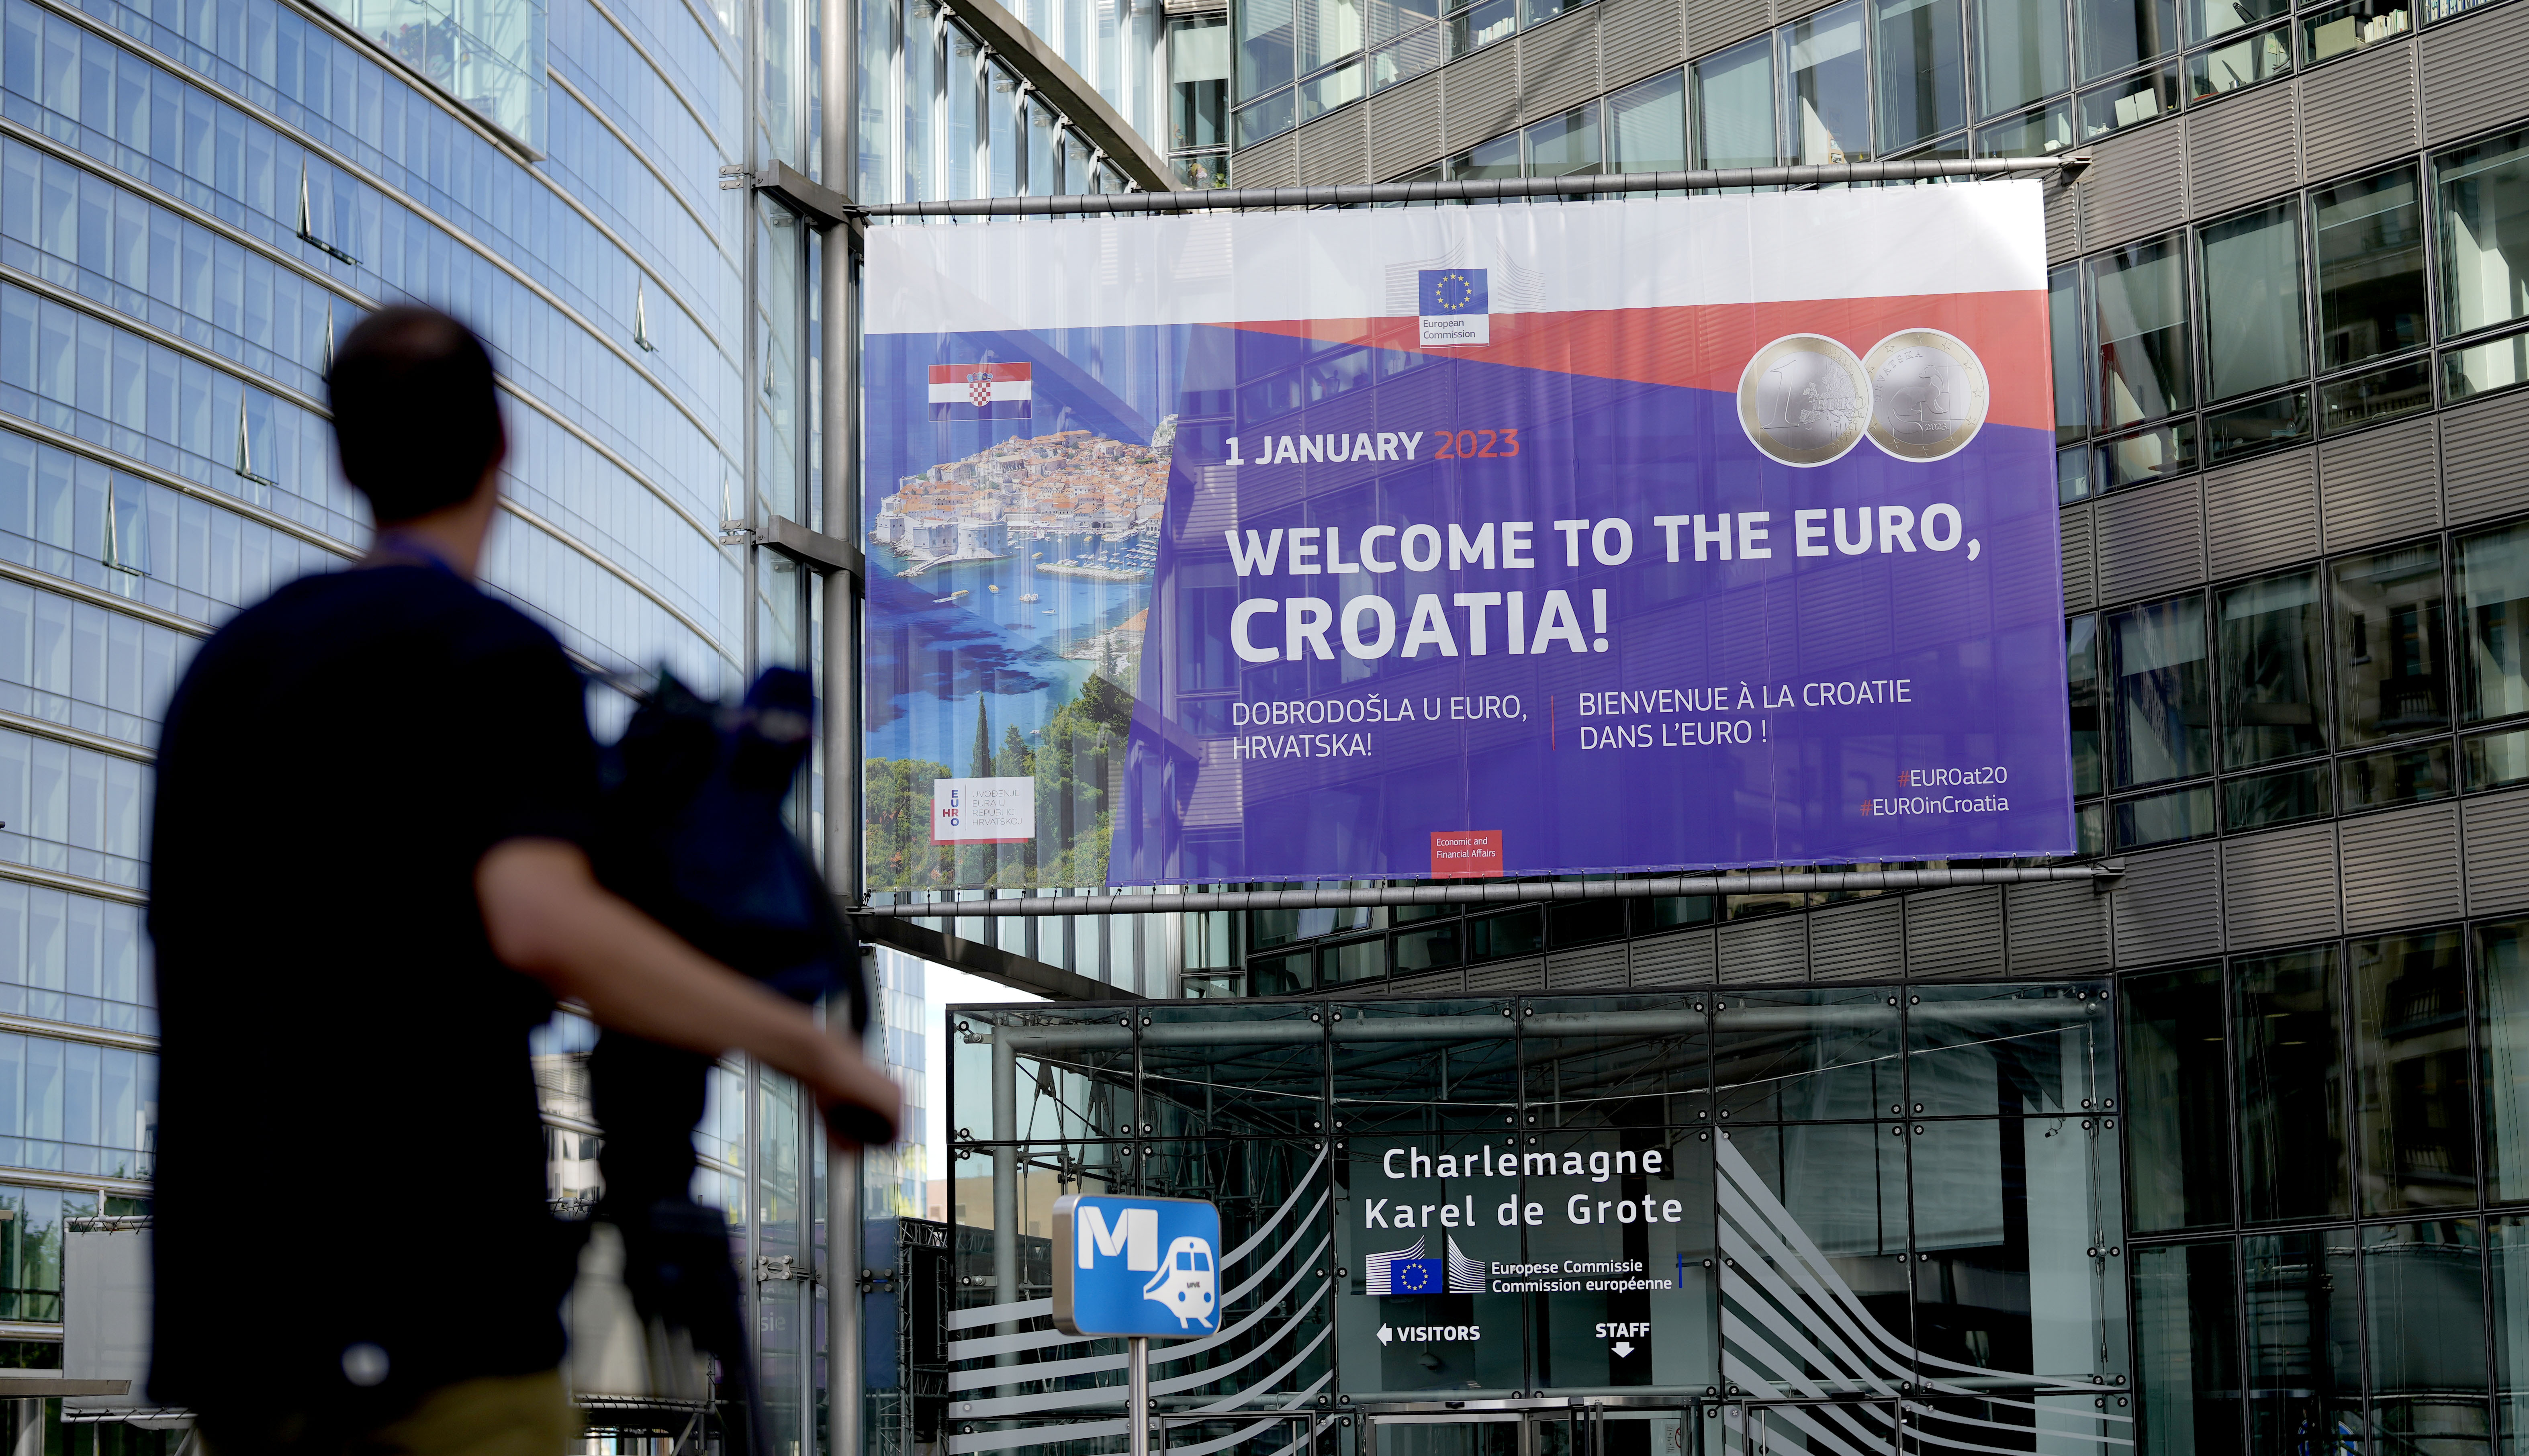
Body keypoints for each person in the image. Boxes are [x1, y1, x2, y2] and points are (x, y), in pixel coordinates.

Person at [145, 305, 899, 1455]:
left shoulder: (219, 676)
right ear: (503, 445)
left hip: (241, 1338)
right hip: (439, 1320)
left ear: (344, 453)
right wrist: (815, 1053)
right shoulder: (490, 655)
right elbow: (542, 921)